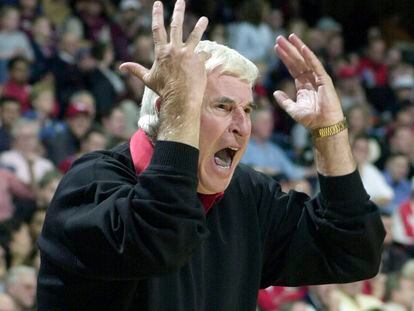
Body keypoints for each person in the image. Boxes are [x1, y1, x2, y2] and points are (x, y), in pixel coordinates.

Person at [37, 1, 385, 310]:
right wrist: (181, 109)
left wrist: (329, 131)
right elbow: (162, 238)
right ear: (168, 109)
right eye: (223, 106)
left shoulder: (248, 195)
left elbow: (352, 250)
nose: (242, 126)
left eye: (248, 110)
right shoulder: (89, 186)